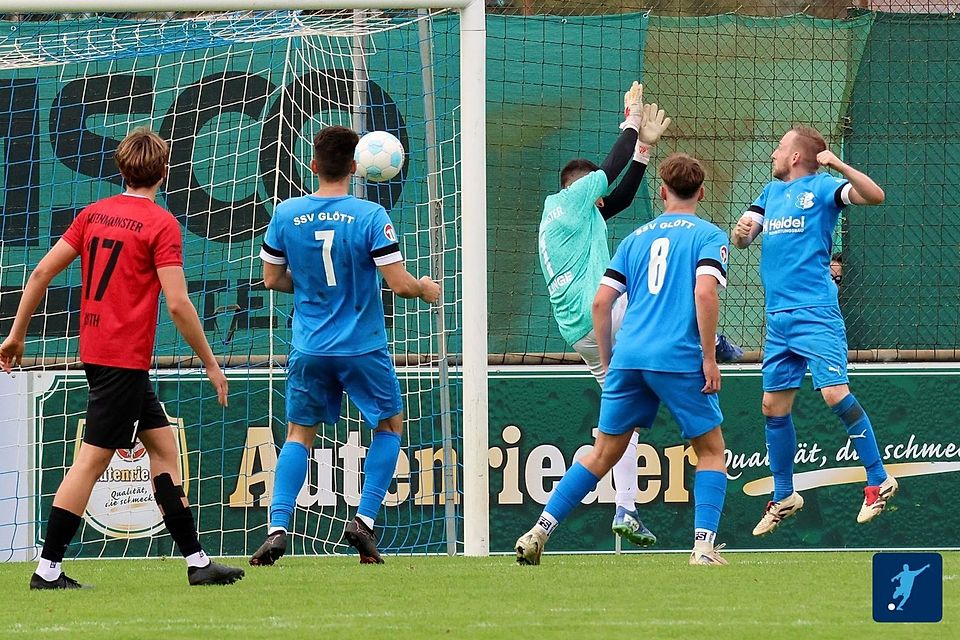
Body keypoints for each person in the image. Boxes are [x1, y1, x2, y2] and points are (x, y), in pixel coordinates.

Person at [0, 128, 243, 589]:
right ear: (165, 171)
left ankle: (197, 562)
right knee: (91, 462)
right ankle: (47, 570)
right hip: (123, 360)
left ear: (121, 168)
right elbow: (178, 304)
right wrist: (211, 363)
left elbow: (41, 272)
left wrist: (15, 336)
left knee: (164, 448)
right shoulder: (160, 224)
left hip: (99, 353)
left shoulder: (93, 214)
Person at [538, 82, 739, 547]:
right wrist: (631, 120)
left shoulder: (574, 220)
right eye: (595, 192)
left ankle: (623, 508)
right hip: (605, 318)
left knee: (617, 429)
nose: (602, 197)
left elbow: (621, 197)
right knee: (658, 301)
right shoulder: (570, 200)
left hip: (581, 332)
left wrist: (644, 150)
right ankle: (714, 341)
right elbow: (609, 171)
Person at [251, 125, 440, 566]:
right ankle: (363, 521)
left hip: (310, 346)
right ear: (355, 167)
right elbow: (399, 284)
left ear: (313, 165)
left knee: (299, 434)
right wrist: (424, 288)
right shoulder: (371, 216)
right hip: (362, 346)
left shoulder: (286, 214)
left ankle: (277, 527)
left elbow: (272, 279)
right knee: (389, 426)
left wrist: (310, 285)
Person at [732, 126, 896, 536]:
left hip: (815, 312)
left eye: (779, 147)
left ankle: (879, 479)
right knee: (772, 406)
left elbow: (875, 195)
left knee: (834, 393)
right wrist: (740, 232)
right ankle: (784, 495)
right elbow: (743, 237)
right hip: (778, 318)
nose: (773, 153)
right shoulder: (770, 193)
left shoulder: (823, 187)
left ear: (795, 157)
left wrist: (837, 164)